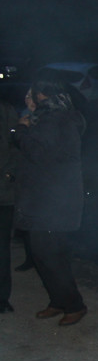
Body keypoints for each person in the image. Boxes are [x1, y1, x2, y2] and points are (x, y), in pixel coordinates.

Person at [13, 76, 88, 325]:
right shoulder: (51, 117)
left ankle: (75, 305)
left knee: (50, 256)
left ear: (41, 96)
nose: (27, 99)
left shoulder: (55, 119)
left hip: (53, 201)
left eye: (31, 95)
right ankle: (58, 300)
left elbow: (36, 152)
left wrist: (20, 130)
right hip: (46, 198)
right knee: (44, 255)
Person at [0, 101, 20, 312]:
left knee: (1, 248)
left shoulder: (5, 111)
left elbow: (17, 143)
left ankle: (1, 298)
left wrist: (9, 173)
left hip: (3, 193)